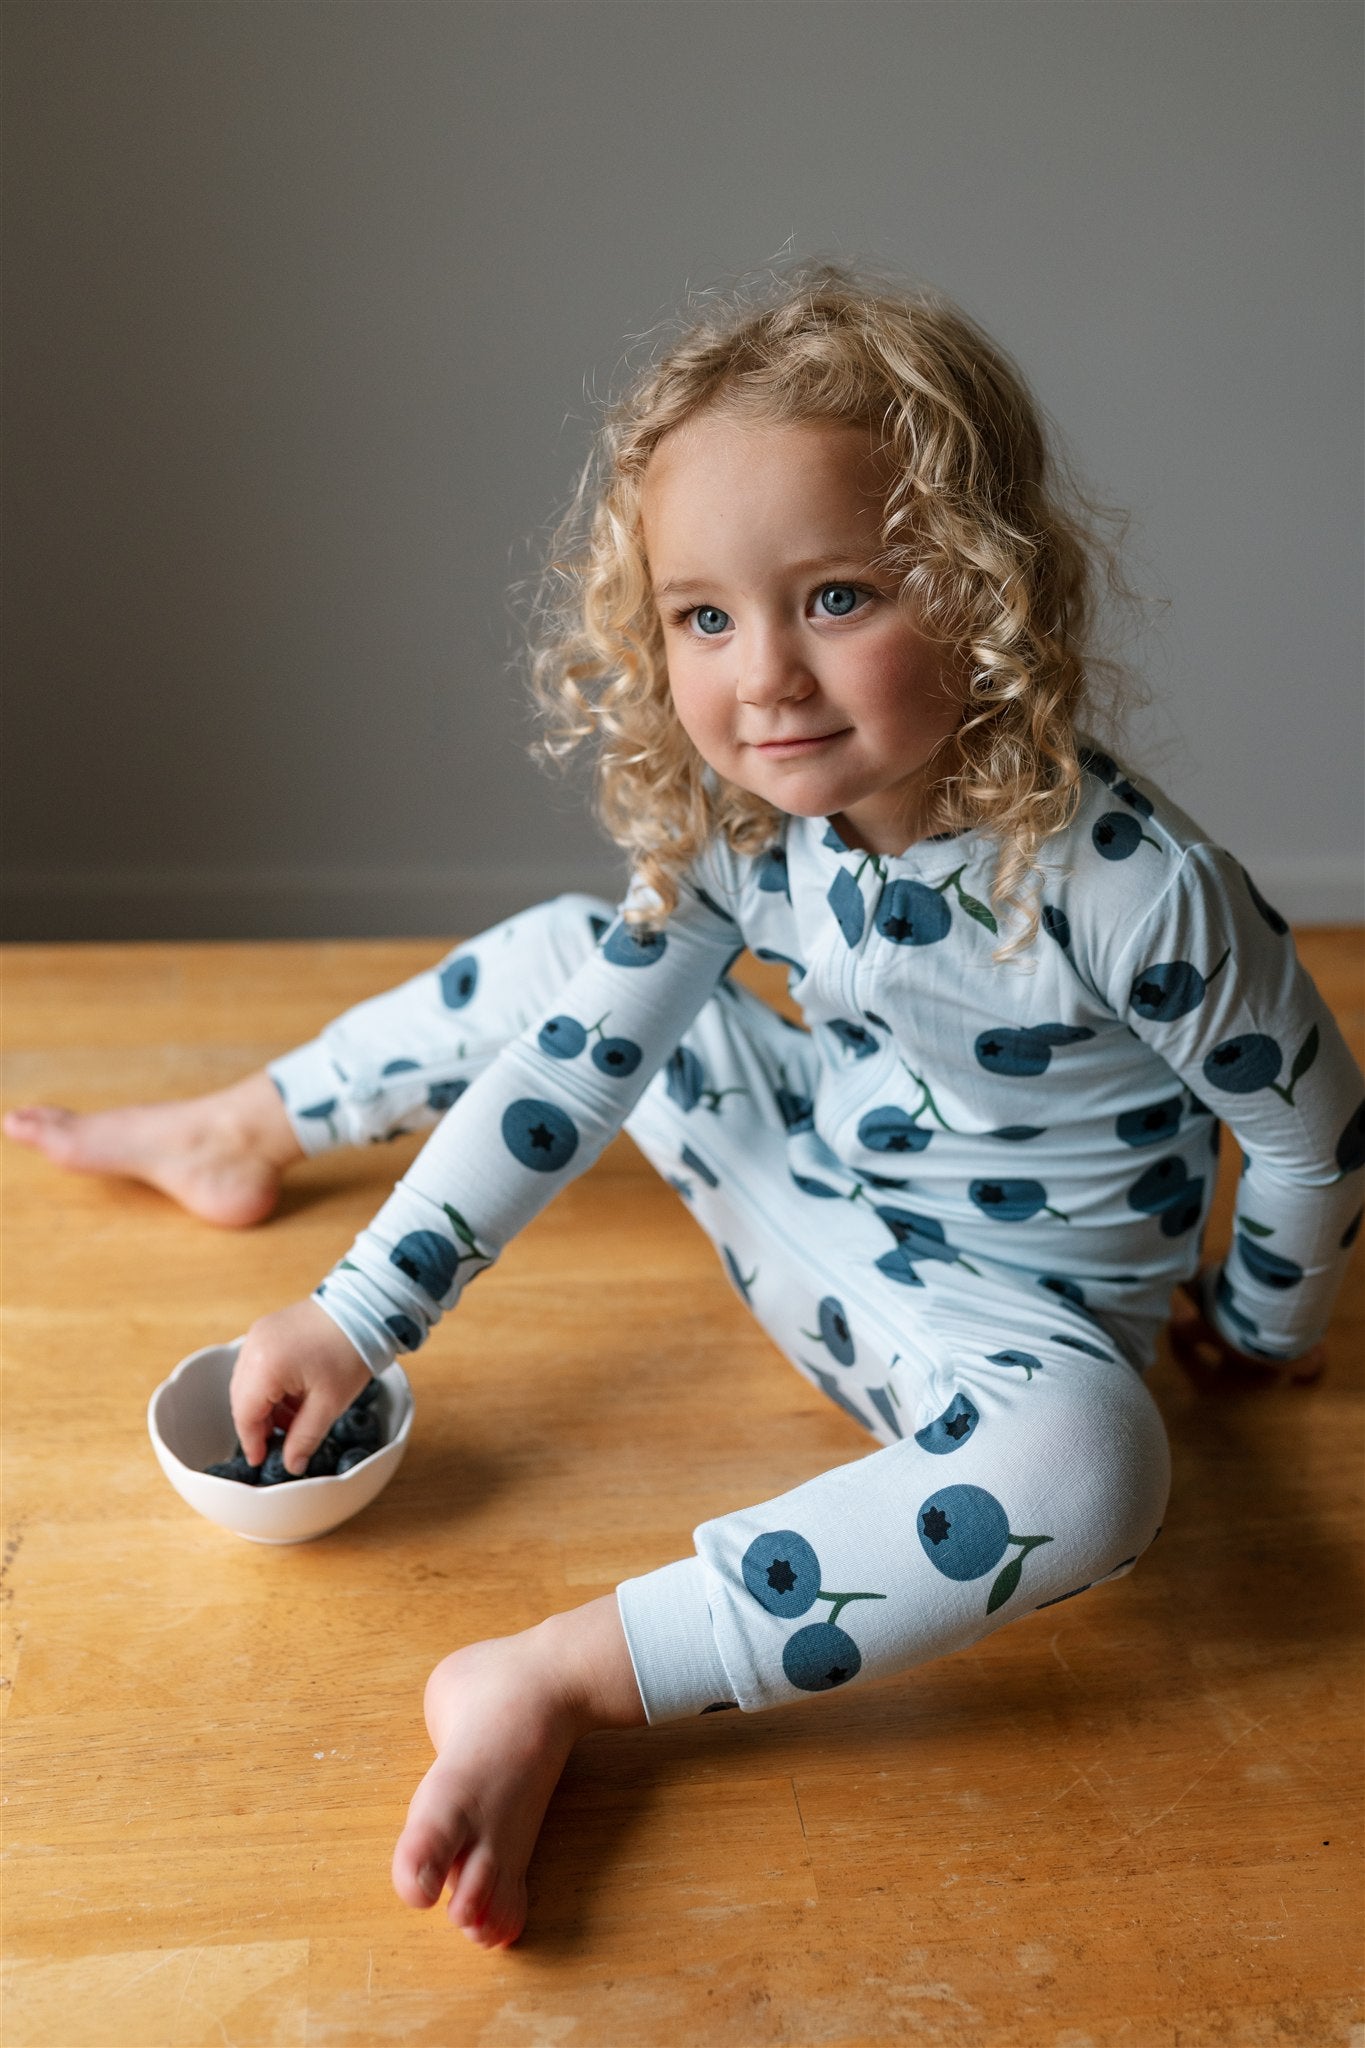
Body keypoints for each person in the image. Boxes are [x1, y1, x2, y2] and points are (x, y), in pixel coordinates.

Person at [8, 264, 1362, 1951]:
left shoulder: (1128, 891)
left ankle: (560, 1676)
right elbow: (578, 1072)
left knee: (1097, 1468)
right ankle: (247, 1127)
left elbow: (1314, 1132)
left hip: (986, 1332)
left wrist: (1258, 1324)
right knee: (588, 969)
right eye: (704, 617)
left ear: (985, 587)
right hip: (801, 1175)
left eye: (841, 595)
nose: (766, 679)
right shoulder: (750, 835)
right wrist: (361, 1317)